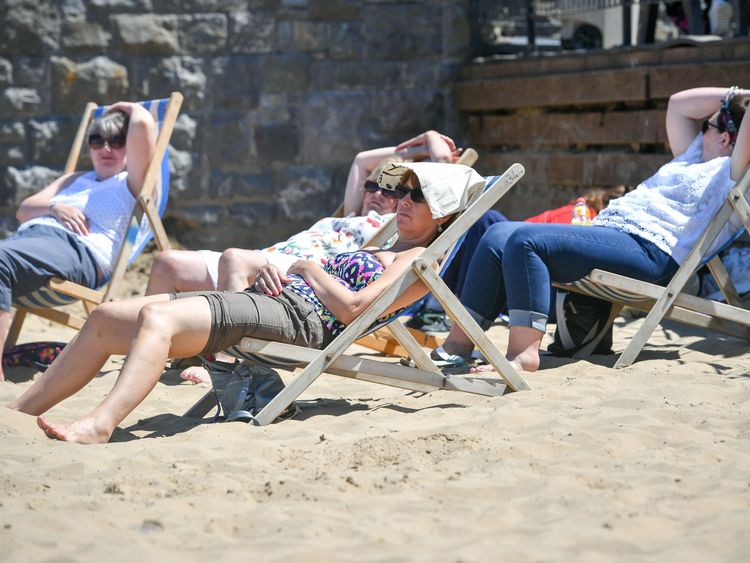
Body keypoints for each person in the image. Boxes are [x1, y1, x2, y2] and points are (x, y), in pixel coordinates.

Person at [8, 162, 484, 444]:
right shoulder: (385, 245)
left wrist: (307, 269)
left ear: (442, 212)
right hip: (276, 302)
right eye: (401, 191)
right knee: (108, 316)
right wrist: (281, 272)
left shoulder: (421, 261)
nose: (401, 201)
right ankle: (21, 413)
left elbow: (354, 310)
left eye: (416, 196)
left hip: (301, 321)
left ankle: (100, 425)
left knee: (158, 316)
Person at [431, 86, 750, 373]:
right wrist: (732, 96)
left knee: (526, 241)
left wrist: (740, 104)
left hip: (651, 252)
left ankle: (523, 354)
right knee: (497, 235)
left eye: (707, 125)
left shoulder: (733, 172)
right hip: (613, 236)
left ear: (724, 138)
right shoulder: (690, 158)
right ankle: (458, 346)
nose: (699, 129)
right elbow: (678, 104)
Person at [144, 130, 461, 296]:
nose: (377, 194)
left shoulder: (394, 225)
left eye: (392, 190)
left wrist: (430, 139)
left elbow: (441, 169)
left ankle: (227, 357)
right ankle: (143, 348)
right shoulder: (350, 214)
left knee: (193, 262)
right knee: (167, 262)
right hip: (271, 258)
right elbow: (362, 159)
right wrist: (409, 149)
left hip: (301, 276)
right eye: (371, 187)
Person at [0, 102, 156, 382]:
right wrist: (54, 208)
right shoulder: (76, 179)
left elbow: (143, 124)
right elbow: (24, 210)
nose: (106, 149)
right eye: (97, 141)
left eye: (116, 141)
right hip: (28, 244)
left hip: (76, 253)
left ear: (129, 147)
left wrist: (127, 108)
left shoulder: (133, 183)